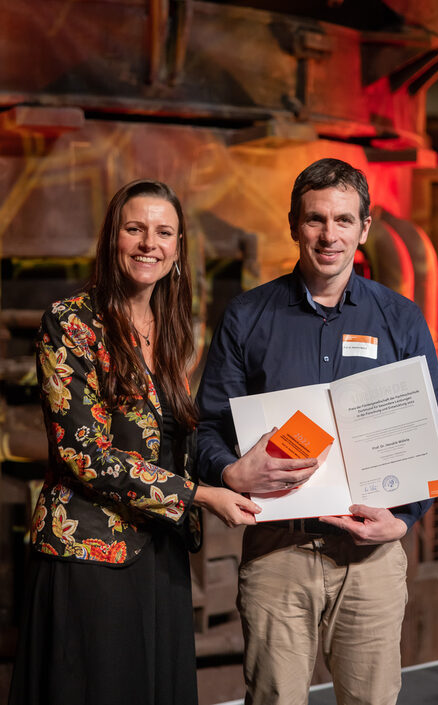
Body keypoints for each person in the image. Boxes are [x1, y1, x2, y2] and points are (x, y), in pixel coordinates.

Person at [196, 158, 438, 705]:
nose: (328, 234)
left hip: (371, 561)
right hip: (277, 555)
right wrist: (229, 470)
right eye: (315, 219)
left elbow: (436, 436)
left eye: (342, 220)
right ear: (294, 225)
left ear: (364, 228)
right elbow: (207, 431)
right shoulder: (247, 316)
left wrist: (404, 520)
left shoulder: (400, 319)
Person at [8, 179, 260, 705]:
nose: (150, 243)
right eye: (135, 229)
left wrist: (230, 472)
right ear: (112, 238)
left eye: (164, 232)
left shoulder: (171, 326)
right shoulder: (71, 321)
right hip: (91, 551)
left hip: (160, 550)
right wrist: (199, 496)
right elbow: (87, 454)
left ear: (178, 247)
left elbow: (176, 438)